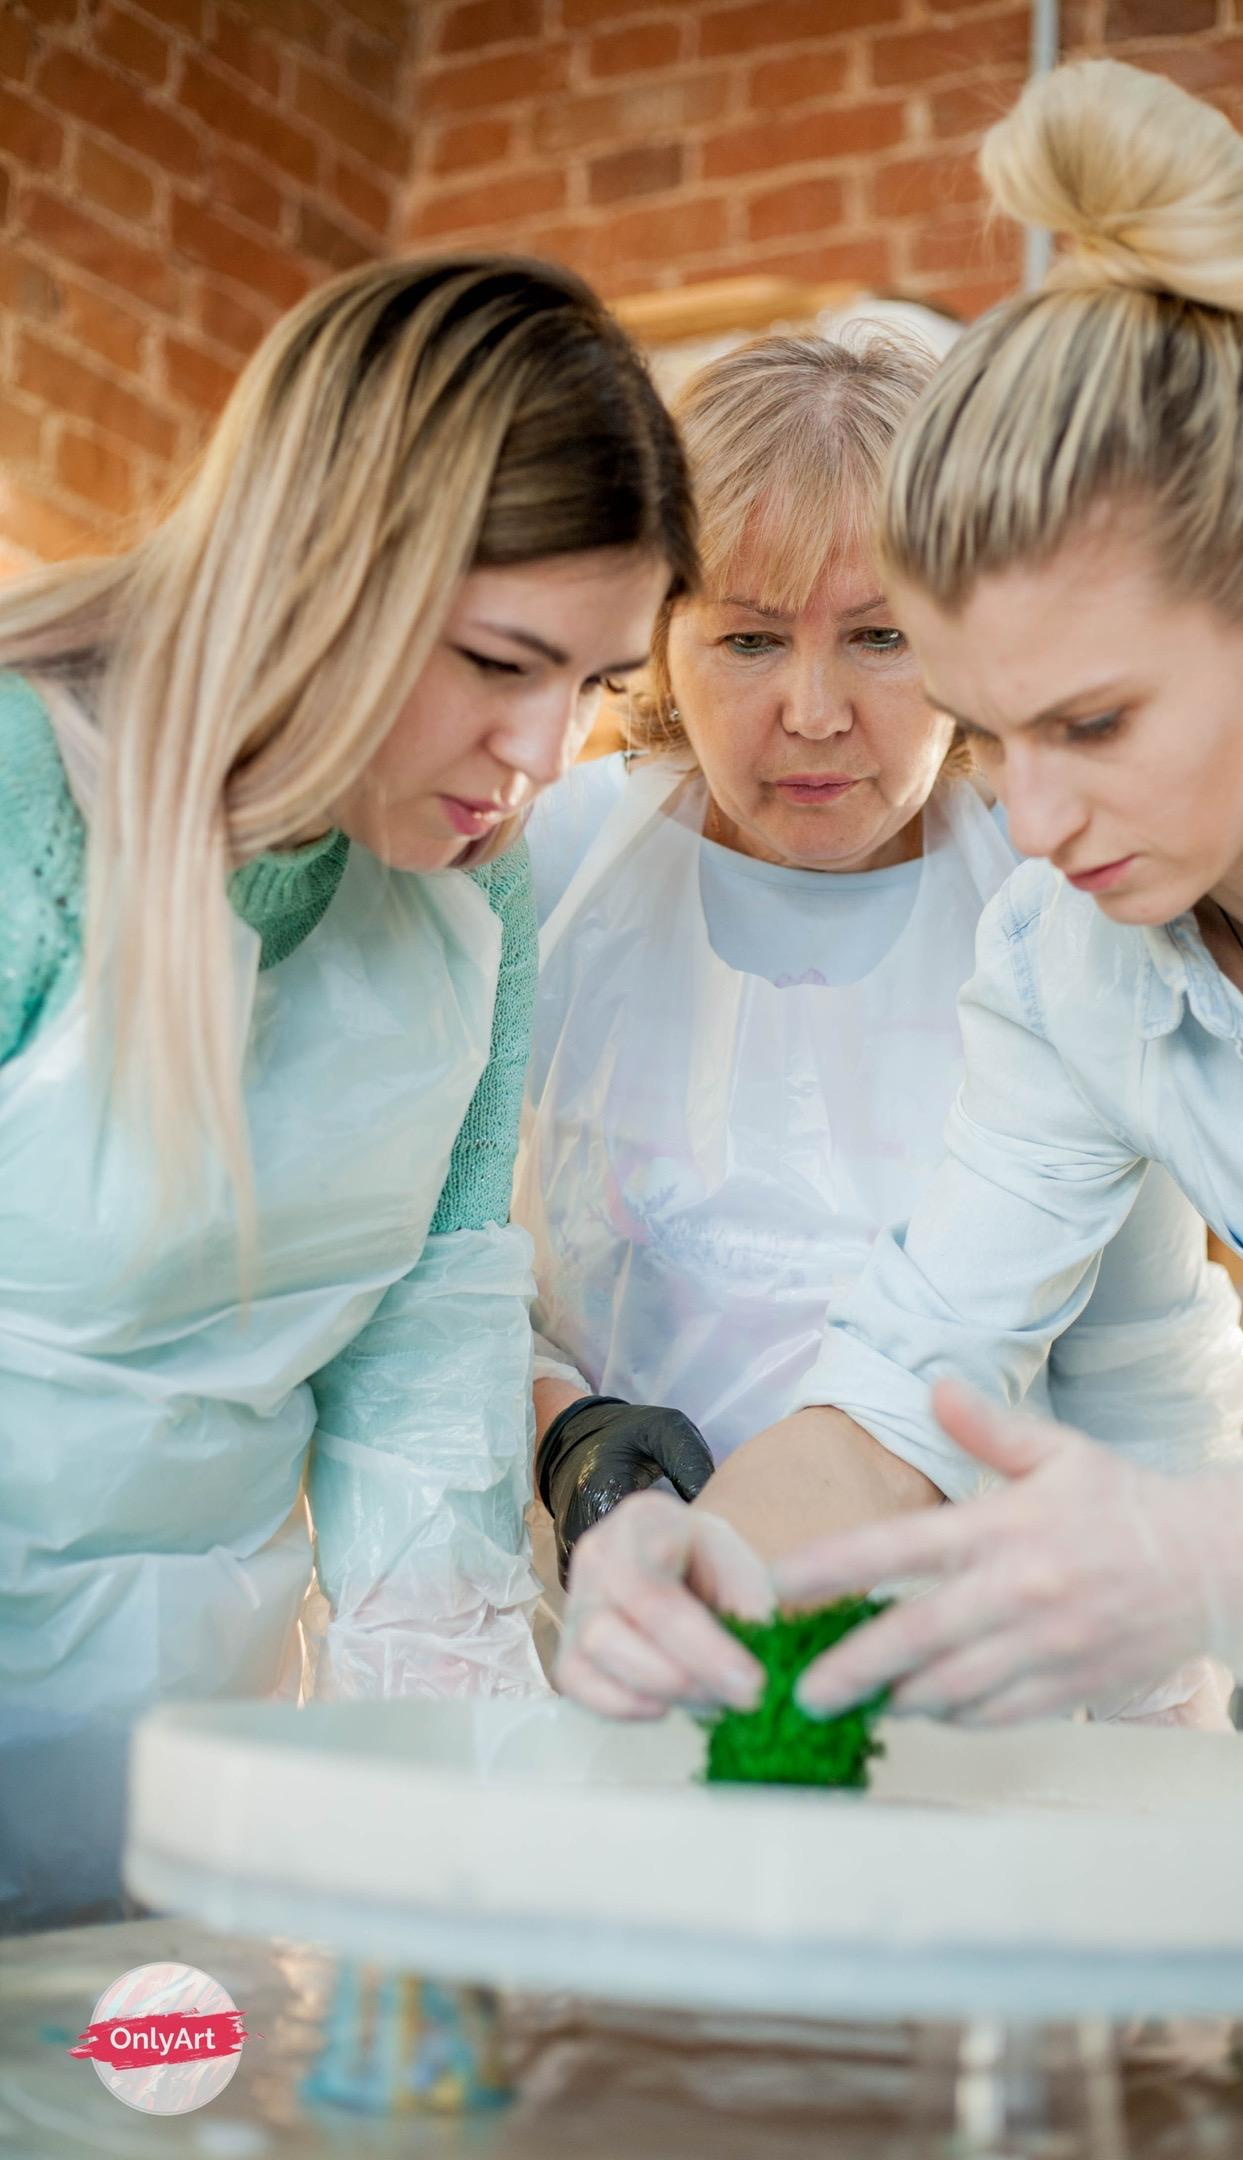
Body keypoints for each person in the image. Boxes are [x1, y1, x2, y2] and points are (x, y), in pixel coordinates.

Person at [555, 59, 1243, 1752]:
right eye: (1000, 730)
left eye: (1094, 725)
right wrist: (703, 1559)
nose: (1031, 823)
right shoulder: (1065, 958)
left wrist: (1215, 1554)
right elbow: (915, 1368)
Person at [0, 254, 695, 1931]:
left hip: (204, 1777)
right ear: (326, 566)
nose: (547, 756)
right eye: (501, 661)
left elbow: (426, 1333)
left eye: (598, 685)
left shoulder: (474, 884)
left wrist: (459, 1801)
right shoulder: (30, 788)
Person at [521, 330, 1243, 1726]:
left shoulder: (1062, 900)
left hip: (997, 1690)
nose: (814, 713)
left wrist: (1168, 1726)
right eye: (748, 637)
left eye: (882, 637)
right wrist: (569, 1440)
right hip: (618, 1659)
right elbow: (428, 1285)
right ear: (661, 630)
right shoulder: (553, 870)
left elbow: (1144, 1366)